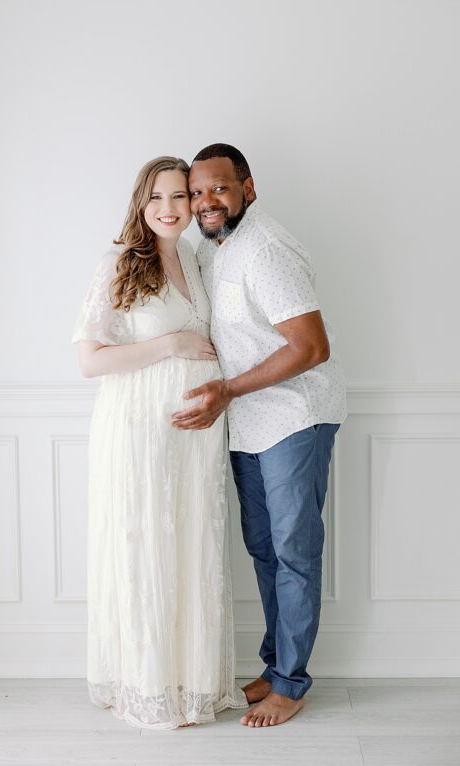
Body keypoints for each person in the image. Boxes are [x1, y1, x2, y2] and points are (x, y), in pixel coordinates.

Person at [174, 143, 347, 727]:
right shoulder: (213, 246)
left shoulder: (265, 249)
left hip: (294, 417)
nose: (206, 202)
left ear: (248, 187)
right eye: (197, 192)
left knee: (294, 553)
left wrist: (227, 390)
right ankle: (276, 668)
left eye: (219, 188)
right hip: (248, 423)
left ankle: (292, 683)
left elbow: (311, 347)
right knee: (266, 550)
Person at [72, 156, 247, 729]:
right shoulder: (121, 262)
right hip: (139, 430)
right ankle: (146, 686)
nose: (171, 209)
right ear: (140, 205)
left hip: (192, 436)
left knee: (189, 545)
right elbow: (89, 360)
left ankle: (190, 681)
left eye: (180, 197)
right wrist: (170, 344)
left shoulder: (197, 259)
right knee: (146, 543)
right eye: (158, 198)